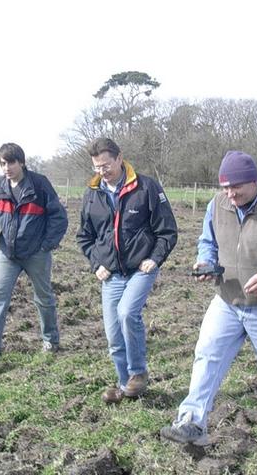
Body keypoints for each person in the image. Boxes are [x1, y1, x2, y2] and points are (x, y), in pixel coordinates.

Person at [160, 150, 257, 449]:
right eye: (225, 187)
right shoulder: (217, 205)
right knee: (207, 356)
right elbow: (207, 241)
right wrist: (205, 262)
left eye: (236, 187)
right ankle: (192, 422)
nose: (230, 194)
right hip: (227, 300)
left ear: (254, 181)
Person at [76, 137, 178, 404]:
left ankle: (138, 373)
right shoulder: (92, 194)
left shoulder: (146, 188)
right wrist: (95, 264)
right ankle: (125, 386)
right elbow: (84, 237)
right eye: (97, 166)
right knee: (113, 336)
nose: (102, 171)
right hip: (110, 274)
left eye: (106, 165)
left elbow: (167, 231)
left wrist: (154, 259)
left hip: (140, 269)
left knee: (127, 313)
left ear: (120, 158)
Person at [0, 142, 68, 368]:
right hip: (7, 254)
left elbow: (59, 217)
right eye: (3, 163)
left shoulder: (39, 185)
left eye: (11, 162)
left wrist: (47, 245)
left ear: (21, 162)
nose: (7, 167)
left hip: (36, 253)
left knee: (43, 298)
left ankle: (51, 340)